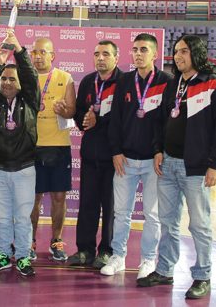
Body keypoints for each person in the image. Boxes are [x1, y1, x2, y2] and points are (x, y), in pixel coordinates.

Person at [137, 35, 216, 300]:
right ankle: (165, 269)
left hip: (197, 169)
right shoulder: (173, 83)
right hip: (168, 164)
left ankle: (203, 276)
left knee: (199, 225)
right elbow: (159, 122)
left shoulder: (213, 84)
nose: (178, 56)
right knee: (168, 222)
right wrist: (157, 150)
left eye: (184, 51)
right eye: (176, 51)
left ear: (196, 54)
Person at [102, 33, 171, 281]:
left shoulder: (166, 81)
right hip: (126, 160)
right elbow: (115, 120)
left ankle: (147, 259)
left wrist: (160, 150)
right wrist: (116, 151)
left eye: (144, 49)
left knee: (152, 215)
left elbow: (167, 123)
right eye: (135, 49)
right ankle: (118, 256)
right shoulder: (124, 82)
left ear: (155, 54)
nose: (138, 54)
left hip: (155, 162)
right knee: (121, 212)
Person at [0, 30, 39, 277]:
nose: (7, 83)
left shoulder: (31, 100)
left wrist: (20, 51)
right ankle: (3, 253)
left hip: (24, 168)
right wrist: (0, 62)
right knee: (2, 216)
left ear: (20, 83)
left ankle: (23, 256)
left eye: (12, 80)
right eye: (4, 79)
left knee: (22, 217)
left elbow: (31, 76)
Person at [69, 40, 122, 268]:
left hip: (114, 156)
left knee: (110, 206)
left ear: (116, 58)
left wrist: (98, 120)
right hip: (90, 154)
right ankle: (84, 250)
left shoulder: (124, 82)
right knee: (87, 204)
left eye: (106, 54)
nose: (100, 58)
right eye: (97, 53)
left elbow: (122, 118)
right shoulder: (89, 81)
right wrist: (84, 120)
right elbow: (80, 111)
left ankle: (107, 251)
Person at [29, 37, 76, 262]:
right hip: (31, 146)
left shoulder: (65, 78)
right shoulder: (24, 76)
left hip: (58, 146)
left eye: (43, 52)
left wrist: (64, 110)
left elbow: (71, 113)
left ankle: (56, 240)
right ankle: (30, 241)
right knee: (32, 198)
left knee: (58, 197)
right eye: (34, 52)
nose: (38, 56)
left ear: (52, 55)